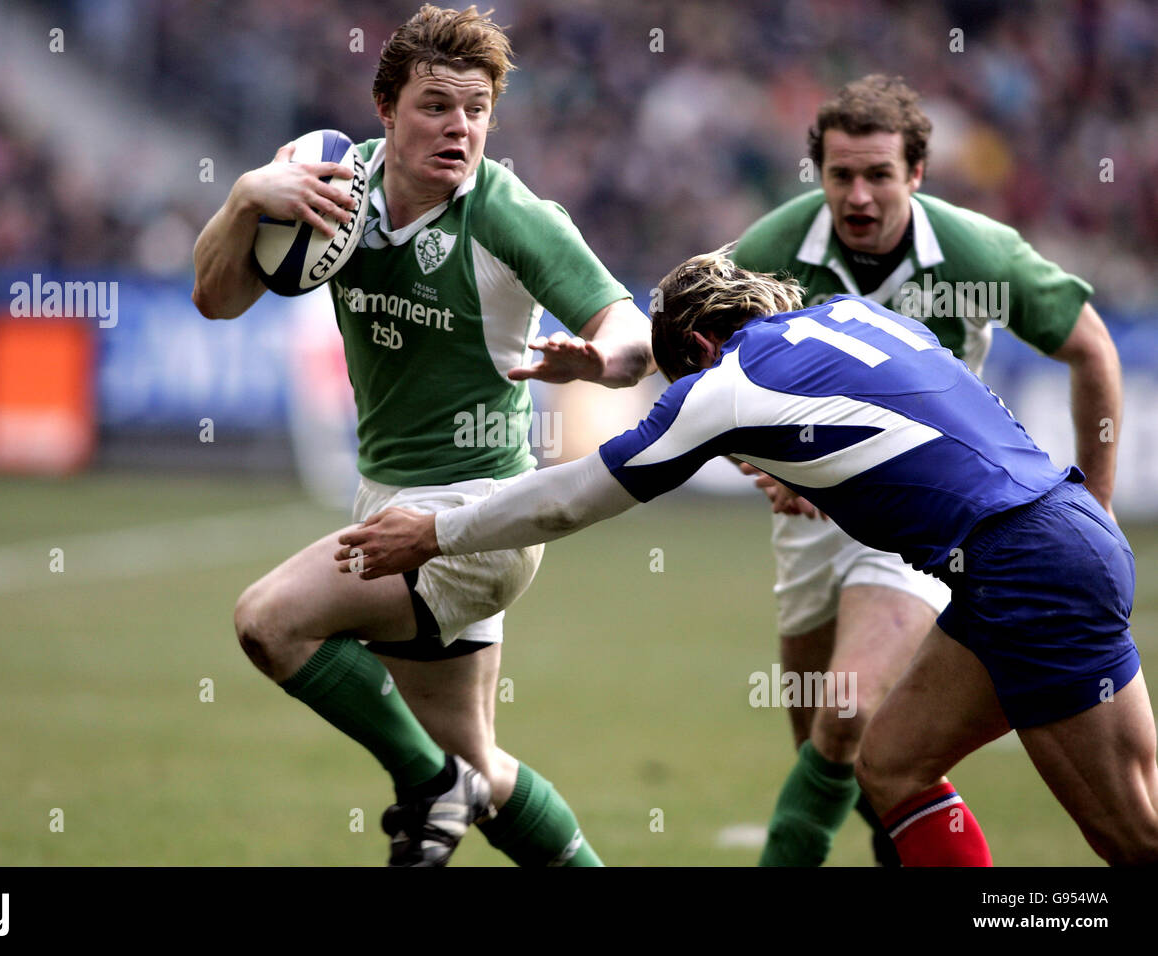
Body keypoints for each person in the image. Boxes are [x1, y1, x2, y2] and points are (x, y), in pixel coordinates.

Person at [337, 249, 1158, 866]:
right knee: (892, 765)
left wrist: (436, 533)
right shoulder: (857, 315)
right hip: (1069, 528)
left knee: (1128, 840)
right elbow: (917, 431)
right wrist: (813, 476)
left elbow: (572, 496)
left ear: (697, 344)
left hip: (1022, 571)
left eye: (675, 375)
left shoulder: (720, 384)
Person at [191, 4, 653, 866]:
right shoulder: (330, 188)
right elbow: (216, 298)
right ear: (386, 108)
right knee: (482, 765)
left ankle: (427, 785)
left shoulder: (510, 214)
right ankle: (451, 784)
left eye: (477, 110)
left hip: (481, 518)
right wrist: (247, 197)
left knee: (270, 623)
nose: (461, 127)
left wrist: (599, 360)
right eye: (437, 105)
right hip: (388, 499)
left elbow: (631, 332)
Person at [728, 75, 1123, 866]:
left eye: (879, 175)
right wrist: (758, 459)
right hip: (811, 524)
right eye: (841, 176)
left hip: (926, 519)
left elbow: (1091, 349)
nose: (859, 195)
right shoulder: (770, 251)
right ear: (820, 176)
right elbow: (702, 367)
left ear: (916, 174)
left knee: (844, 714)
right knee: (846, 752)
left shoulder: (974, 252)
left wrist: (1098, 504)